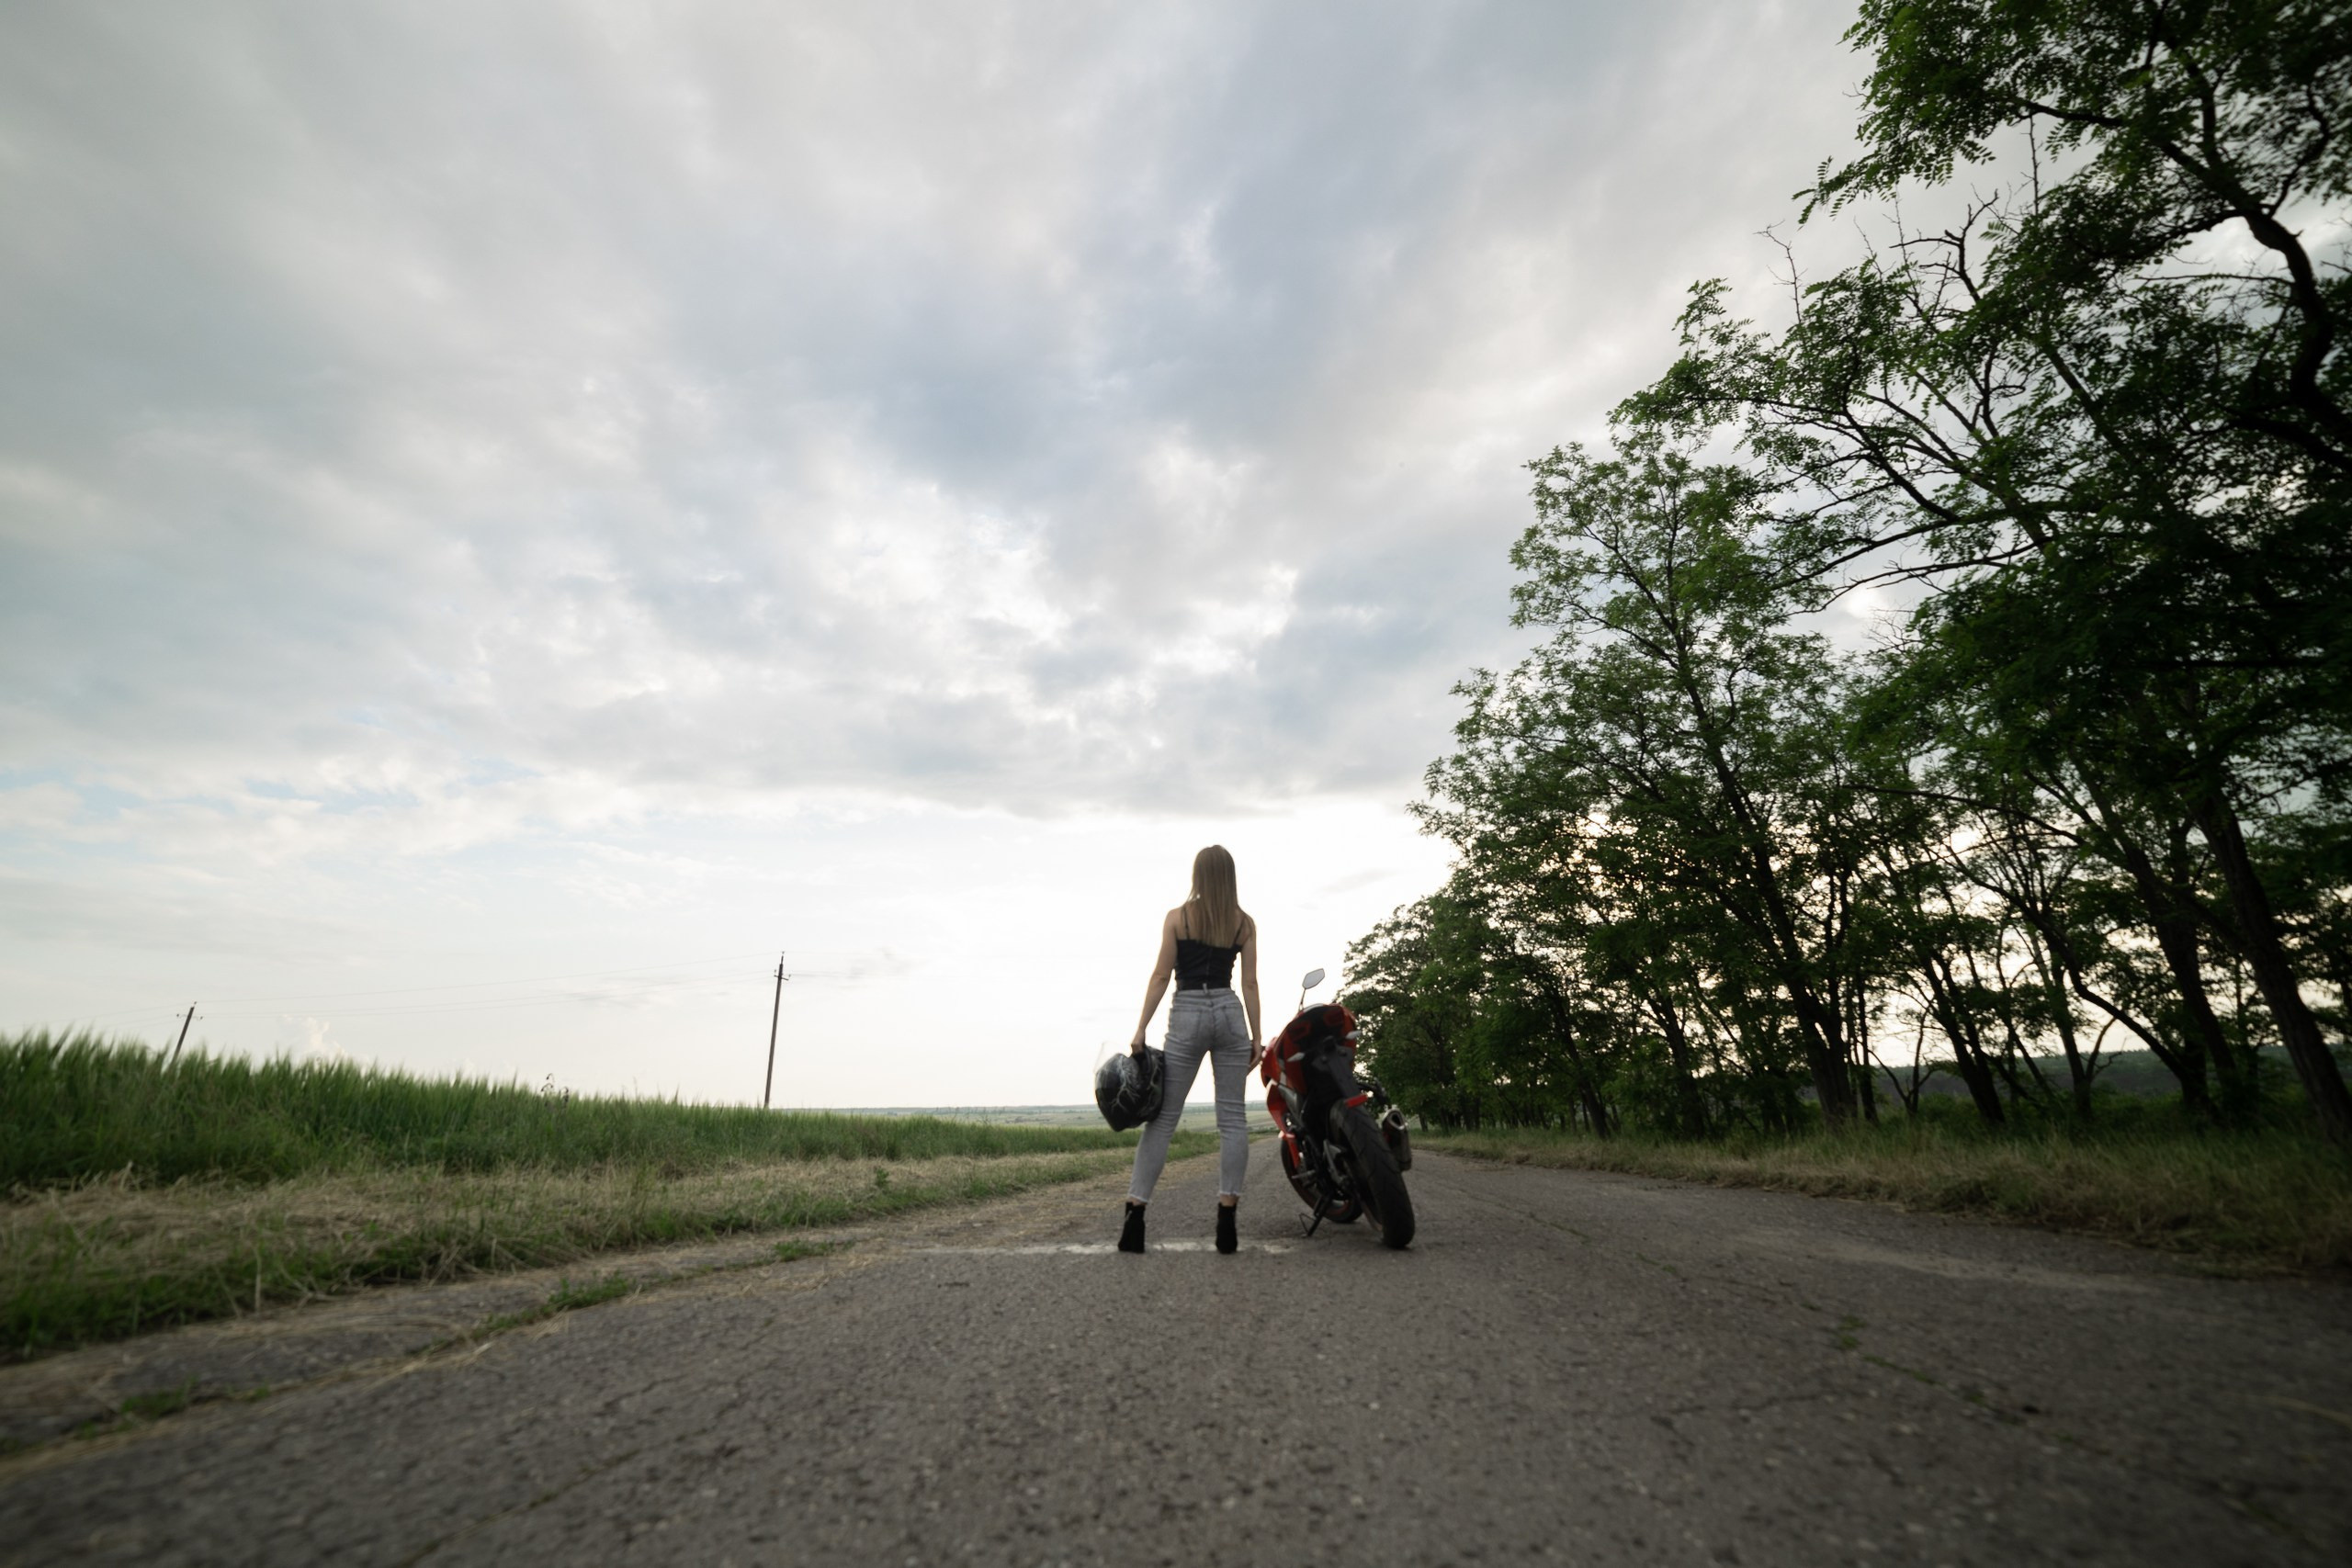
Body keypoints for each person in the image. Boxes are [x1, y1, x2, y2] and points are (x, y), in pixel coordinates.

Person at [1119, 844, 1261, 1255]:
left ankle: (1135, 1218)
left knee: (1163, 1121)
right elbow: (1249, 983)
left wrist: (1141, 1027)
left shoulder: (1177, 918)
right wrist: (1256, 1035)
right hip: (1230, 1011)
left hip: (1188, 1013)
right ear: (1229, 876)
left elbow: (1162, 974)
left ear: (1197, 875)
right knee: (1233, 1120)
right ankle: (1227, 1223)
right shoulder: (1244, 923)